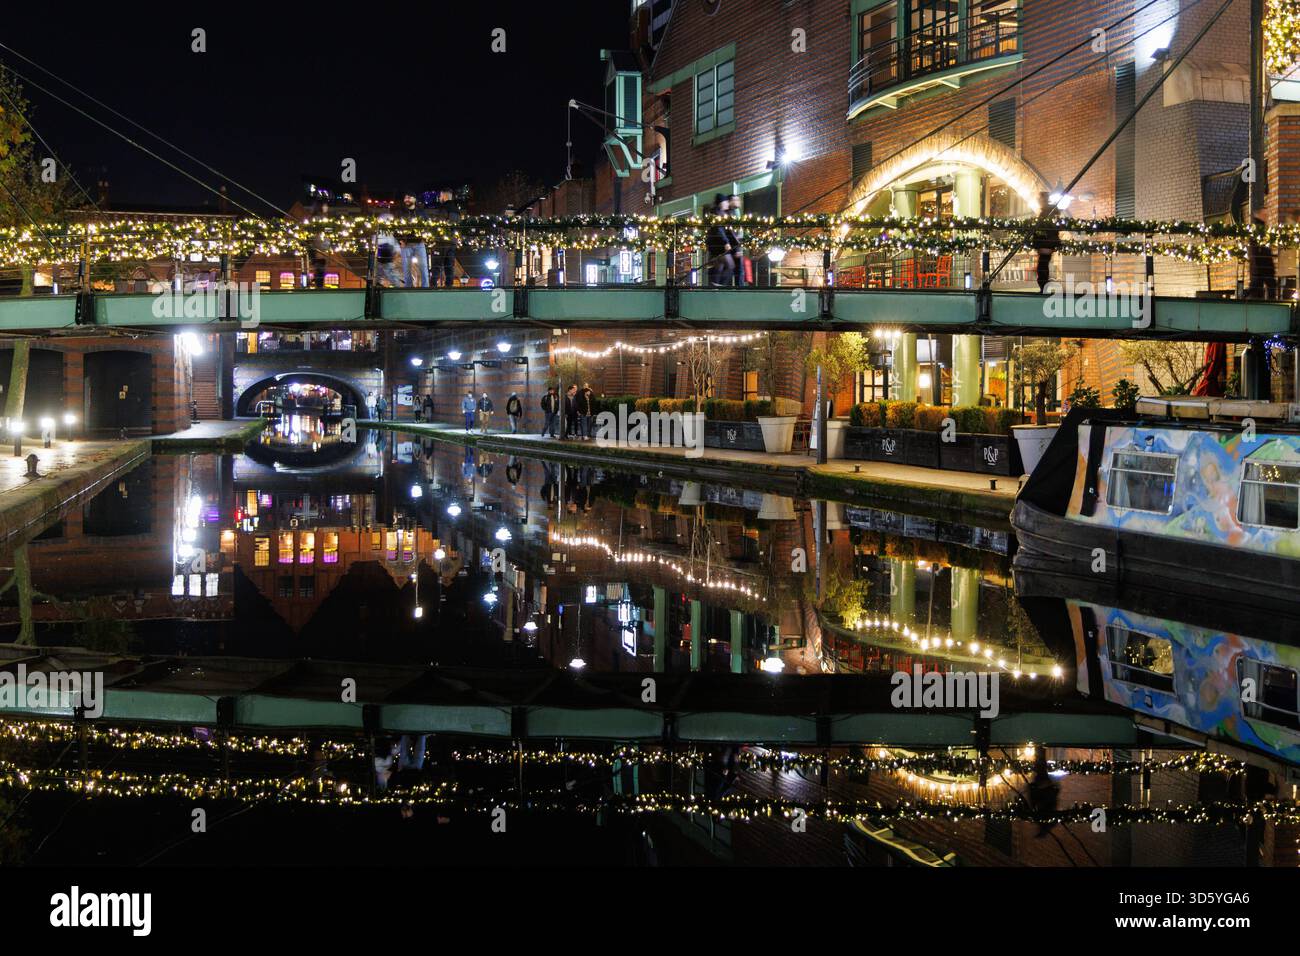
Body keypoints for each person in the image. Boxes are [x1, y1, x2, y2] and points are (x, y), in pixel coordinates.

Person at [1032, 192, 1061, 293]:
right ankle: (1043, 287)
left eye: (1040, 200)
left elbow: (1045, 227)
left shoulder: (1047, 212)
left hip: (1045, 243)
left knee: (1042, 266)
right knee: (1043, 266)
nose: (1039, 202)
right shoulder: (1049, 211)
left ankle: (1043, 287)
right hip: (1046, 243)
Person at [399, 193, 431, 288]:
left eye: (409, 197)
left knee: (424, 267)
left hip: (419, 243)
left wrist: (426, 238)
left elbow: (429, 225)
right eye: (405, 197)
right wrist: (400, 240)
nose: (406, 199)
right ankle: (408, 288)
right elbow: (394, 227)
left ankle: (425, 288)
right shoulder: (401, 212)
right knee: (406, 269)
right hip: (406, 244)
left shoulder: (421, 212)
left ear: (414, 199)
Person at [706, 194, 735, 286]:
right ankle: (721, 285)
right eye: (726, 201)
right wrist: (725, 242)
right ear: (721, 203)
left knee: (719, 266)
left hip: (717, 245)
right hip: (719, 245)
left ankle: (715, 286)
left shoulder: (720, 213)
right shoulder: (718, 214)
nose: (727, 203)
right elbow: (719, 230)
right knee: (730, 265)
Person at [373, 210, 401, 287]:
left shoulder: (384, 233)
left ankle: (379, 284)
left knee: (384, 271)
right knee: (386, 271)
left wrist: (397, 251)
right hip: (383, 252)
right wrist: (397, 251)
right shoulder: (384, 232)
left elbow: (393, 242)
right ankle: (396, 285)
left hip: (384, 252)